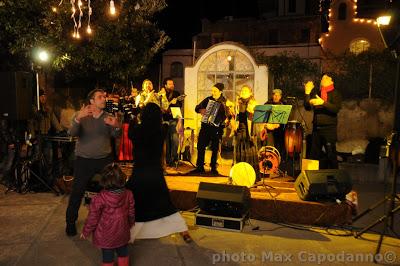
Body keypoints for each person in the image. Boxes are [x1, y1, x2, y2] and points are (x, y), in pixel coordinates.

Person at [126, 103, 192, 243]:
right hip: (155, 173)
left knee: (136, 204)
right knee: (166, 203)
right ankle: (183, 231)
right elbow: (167, 121)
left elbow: (130, 129)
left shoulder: (136, 130)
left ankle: (130, 235)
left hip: (139, 173)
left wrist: (134, 116)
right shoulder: (161, 130)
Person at [65, 88, 122, 236]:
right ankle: (70, 222)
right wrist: (77, 119)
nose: (104, 98)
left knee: (112, 190)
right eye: (100, 97)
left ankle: (113, 221)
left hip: (104, 159)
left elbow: (116, 135)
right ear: (91, 101)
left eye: (104, 96)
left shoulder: (108, 116)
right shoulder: (81, 114)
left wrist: (116, 126)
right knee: (77, 192)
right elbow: (71, 133)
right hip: (84, 160)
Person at [81, 163, 135, 266]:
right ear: (123, 179)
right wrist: (130, 223)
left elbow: (92, 218)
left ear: (104, 181)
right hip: (122, 231)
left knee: (108, 258)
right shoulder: (129, 194)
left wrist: (85, 231)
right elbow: (131, 212)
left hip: (105, 236)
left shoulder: (98, 199)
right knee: (123, 252)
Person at [304, 74, 342, 169]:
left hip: (329, 129)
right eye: (322, 78)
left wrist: (323, 103)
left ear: (332, 81)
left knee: (331, 154)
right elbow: (307, 107)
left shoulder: (335, 93)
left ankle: (334, 177)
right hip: (316, 128)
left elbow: (335, 109)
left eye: (326, 78)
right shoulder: (317, 92)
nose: (323, 79)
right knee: (313, 155)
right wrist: (307, 93)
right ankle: (312, 178)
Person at [192, 83, 229, 175]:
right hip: (205, 126)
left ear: (220, 92)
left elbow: (228, 115)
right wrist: (201, 110)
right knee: (201, 146)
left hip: (217, 128)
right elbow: (197, 108)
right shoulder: (208, 99)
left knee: (215, 148)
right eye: (212, 91)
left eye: (215, 91)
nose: (213, 93)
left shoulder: (225, 102)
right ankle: (200, 166)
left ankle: (213, 167)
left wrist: (227, 120)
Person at [232, 85, 258, 167]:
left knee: (249, 152)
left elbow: (249, 114)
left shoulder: (253, 103)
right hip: (240, 130)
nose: (243, 92)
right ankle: (240, 174)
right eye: (242, 91)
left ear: (250, 93)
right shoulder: (238, 102)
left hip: (250, 131)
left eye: (245, 91)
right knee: (240, 153)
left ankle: (251, 175)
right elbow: (235, 117)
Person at [159, 77, 183, 166]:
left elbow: (180, 105)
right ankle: (167, 159)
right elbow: (159, 105)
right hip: (163, 119)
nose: (172, 85)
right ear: (165, 85)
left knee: (175, 139)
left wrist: (174, 103)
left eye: (172, 84)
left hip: (173, 118)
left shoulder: (176, 93)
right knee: (166, 140)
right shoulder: (161, 94)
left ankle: (174, 158)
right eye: (170, 84)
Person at [262, 89, 286, 156]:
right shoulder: (267, 104)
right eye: (274, 95)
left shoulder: (283, 105)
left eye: (278, 95)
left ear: (280, 97)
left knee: (279, 143)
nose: (276, 97)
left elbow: (284, 119)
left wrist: (278, 124)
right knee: (269, 145)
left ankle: (278, 157)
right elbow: (263, 117)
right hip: (269, 130)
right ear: (272, 96)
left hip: (279, 130)